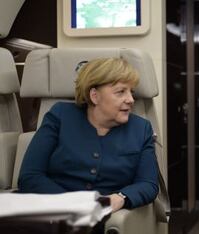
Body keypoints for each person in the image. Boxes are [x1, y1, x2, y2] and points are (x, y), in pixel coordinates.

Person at [18, 58, 159, 213]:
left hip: (103, 215)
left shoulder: (141, 128)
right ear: (94, 96)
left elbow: (148, 184)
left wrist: (119, 198)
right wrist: (69, 204)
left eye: (131, 92)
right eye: (121, 92)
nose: (131, 100)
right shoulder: (60, 115)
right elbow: (30, 176)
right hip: (51, 211)